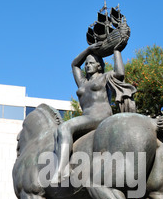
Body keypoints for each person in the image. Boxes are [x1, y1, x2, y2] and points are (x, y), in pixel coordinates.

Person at [53, 42, 136, 182]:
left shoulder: (105, 77)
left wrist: (116, 50)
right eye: (86, 64)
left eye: (91, 63)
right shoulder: (82, 82)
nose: (87, 66)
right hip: (87, 117)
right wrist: (88, 50)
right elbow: (74, 65)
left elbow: (120, 73)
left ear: (99, 66)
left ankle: (61, 170)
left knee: (64, 128)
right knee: (58, 134)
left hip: (100, 116)